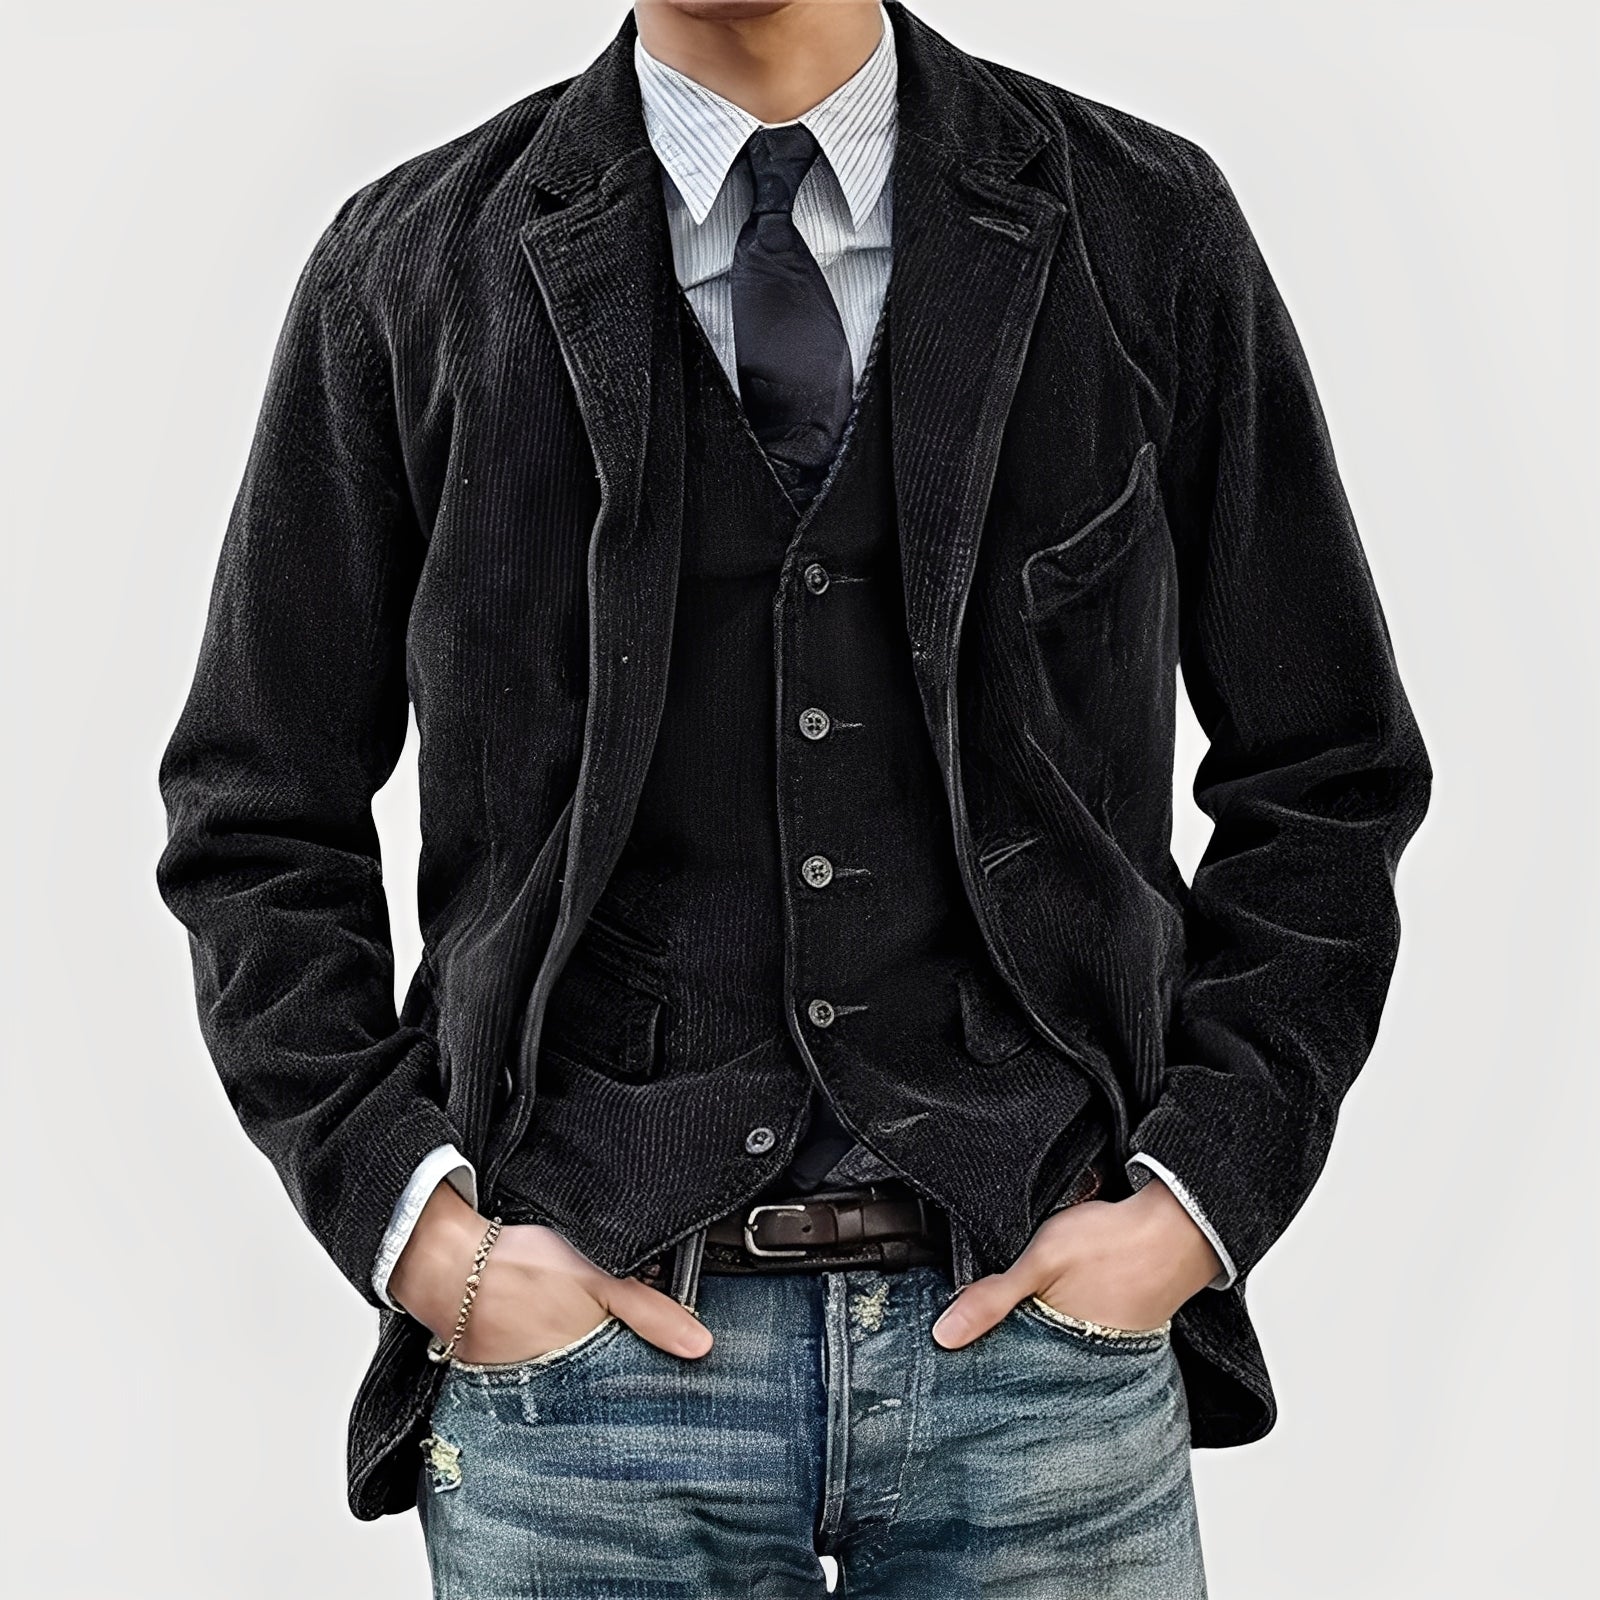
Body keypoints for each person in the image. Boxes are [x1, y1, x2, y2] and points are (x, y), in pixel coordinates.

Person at [156, 1, 1432, 1594]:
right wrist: (425, 1237)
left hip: (1042, 1369)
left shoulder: (1143, 226)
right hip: (585, 1396)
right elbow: (256, 814)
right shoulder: (410, 270)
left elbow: (1326, 770)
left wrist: (1194, 1200)